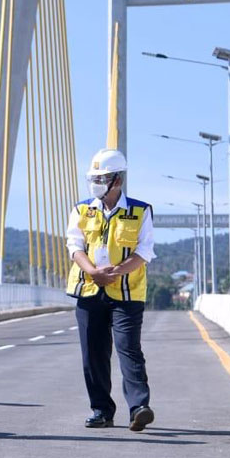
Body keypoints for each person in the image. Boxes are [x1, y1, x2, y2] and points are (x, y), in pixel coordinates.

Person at [65, 148, 156, 432]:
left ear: (118, 180)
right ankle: (101, 410)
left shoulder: (140, 211)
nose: (96, 182)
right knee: (93, 353)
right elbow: (74, 247)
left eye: (102, 177)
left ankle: (139, 408)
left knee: (128, 349)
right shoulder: (82, 210)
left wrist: (114, 273)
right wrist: (93, 273)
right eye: (94, 177)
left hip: (126, 293)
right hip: (89, 291)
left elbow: (144, 252)